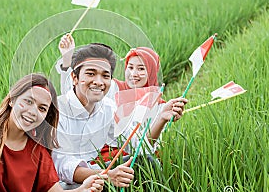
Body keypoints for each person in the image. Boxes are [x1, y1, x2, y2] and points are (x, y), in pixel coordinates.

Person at [56, 34, 187, 160]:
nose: (134, 74)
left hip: (126, 153)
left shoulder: (158, 105)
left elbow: (142, 145)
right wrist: (67, 60)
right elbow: (74, 93)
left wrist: (162, 118)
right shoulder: (113, 88)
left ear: (152, 71)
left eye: (141, 69)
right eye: (130, 67)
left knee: (150, 161)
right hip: (98, 155)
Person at [38, 44, 135, 192]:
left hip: (91, 174)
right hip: (51, 189)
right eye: (91, 74)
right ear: (74, 78)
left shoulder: (108, 108)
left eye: (105, 76)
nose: (98, 81)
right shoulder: (57, 110)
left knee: (143, 162)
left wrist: (163, 118)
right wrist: (106, 175)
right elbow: (62, 167)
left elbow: (134, 142)